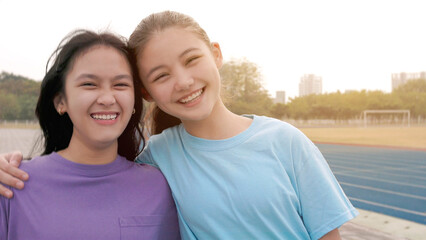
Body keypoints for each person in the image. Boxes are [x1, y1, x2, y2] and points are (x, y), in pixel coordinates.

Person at [0, 11, 357, 240]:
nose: (183, 81)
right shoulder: (157, 157)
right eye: (161, 75)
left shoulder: (285, 141)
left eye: (192, 60)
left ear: (216, 54)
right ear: (148, 91)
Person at [0, 29, 179, 240]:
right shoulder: (12, 185)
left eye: (120, 84)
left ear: (134, 102)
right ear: (60, 102)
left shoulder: (160, 186)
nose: (107, 98)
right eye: (89, 84)